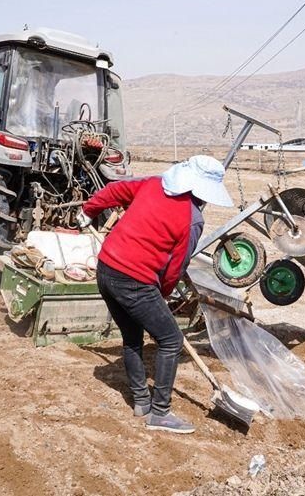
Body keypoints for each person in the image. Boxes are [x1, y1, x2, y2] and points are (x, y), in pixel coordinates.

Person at [78, 155, 233, 434]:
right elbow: (176, 267)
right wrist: (161, 294)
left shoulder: (153, 184)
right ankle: (160, 412)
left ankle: (141, 401)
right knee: (171, 340)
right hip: (135, 281)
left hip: (106, 269)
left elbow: (114, 190)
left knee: (132, 337)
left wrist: (89, 210)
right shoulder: (193, 219)